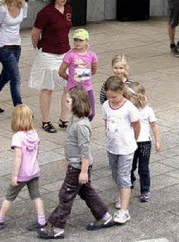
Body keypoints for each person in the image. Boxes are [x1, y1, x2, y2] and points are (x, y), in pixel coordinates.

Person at [37, 87, 114, 239]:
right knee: (86, 192)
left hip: (79, 167)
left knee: (66, 195)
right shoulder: (74, 119)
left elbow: (84, 151)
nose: (65, 104)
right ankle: (104, 217)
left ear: (77, 103)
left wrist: (83, 171)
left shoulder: (82, 126)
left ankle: (57, 227)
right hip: (75, 164)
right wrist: (68, 160)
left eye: (68, 101)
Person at [0, 104, 46, 231]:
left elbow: (18, 157)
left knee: (9, 196)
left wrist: (15, 176)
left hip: (22, 173)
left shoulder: (18, 136)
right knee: (36, 195)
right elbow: (37, 152)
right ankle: (42, 220)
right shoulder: (34, 133)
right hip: (34, 171)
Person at [29, 0, 72, 133]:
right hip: (48, 53)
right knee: (47, 88)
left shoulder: (68, 9)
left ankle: (64, 119)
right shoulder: (45, 13)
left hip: (65, 53)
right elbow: (35, 34)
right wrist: (38, 47)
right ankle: (46, 120)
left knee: (68, 86)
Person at [101, 76, 140, 225]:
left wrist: (133, 140)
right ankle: (122, 196)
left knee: (124, 176)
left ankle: (124, 211)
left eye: (115, 97)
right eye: (109, 96)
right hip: (112, 147)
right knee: (115, 174)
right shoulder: (105, 105)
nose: (112, 99)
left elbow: (136, 126)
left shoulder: (129, 107)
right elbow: (106, 122)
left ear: (121, 92)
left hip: (126, 148)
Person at [128, 82, 161, 203]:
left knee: (143, 168)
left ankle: (145, 190)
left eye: (131, 97)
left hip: (144, 143)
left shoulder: (148, 110)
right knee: (130, 166)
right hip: (131, 142)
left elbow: (154, 125)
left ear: (138, 97)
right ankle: (129, 183)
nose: (129, 99)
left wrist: (157, 141)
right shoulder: (128, 109)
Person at [59, 29, 98, 121]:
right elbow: (61, 71)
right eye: (76, 40)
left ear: (87, 41)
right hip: (74, 89)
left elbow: (93, 69)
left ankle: (84, 125)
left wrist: (86, 76)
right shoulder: (70, 55)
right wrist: (70, 79)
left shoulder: (91, 55)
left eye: (81, 40)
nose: (77, 42)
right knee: (77, 112)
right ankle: (77, 128)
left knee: (91, 113)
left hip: (87, 88)